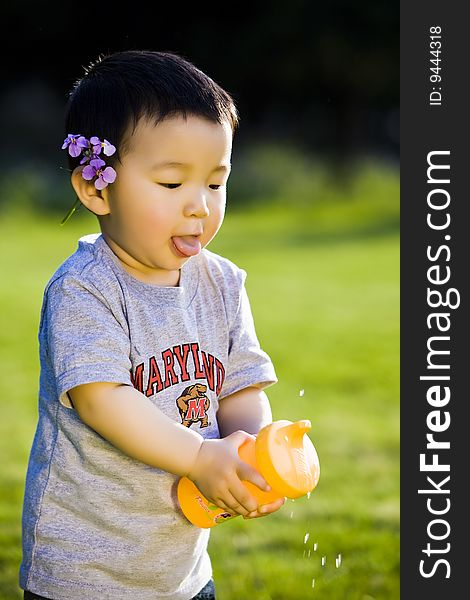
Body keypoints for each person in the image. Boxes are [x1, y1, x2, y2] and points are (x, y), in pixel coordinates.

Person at [19, 50, 284, 600]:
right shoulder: (85, 289)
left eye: (215, 183)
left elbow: (242, 385)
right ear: (96, 189)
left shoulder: (223, 284)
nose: (199, 207)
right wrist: (196, 456)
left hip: (181, 574)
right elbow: (101, 398)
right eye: (171, 185)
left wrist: (251, 448)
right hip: (84, 572)